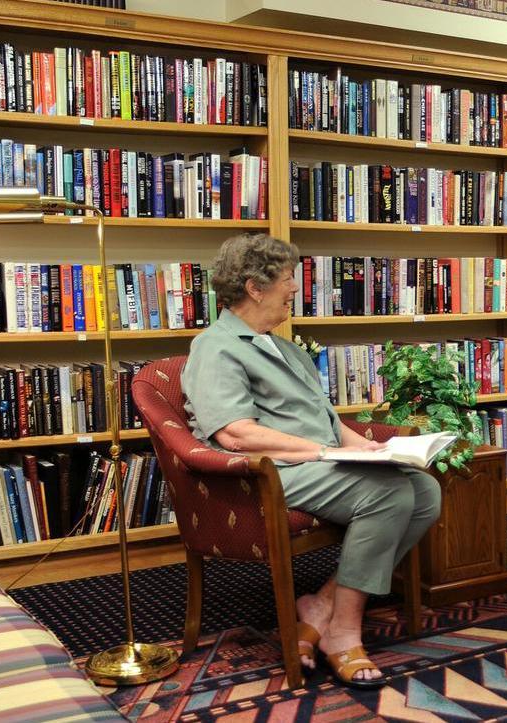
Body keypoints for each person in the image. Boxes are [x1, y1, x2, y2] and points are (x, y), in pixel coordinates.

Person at [182, 233, 441, 689]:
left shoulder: (282, 346)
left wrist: (364, 446)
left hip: (316, 463)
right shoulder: (215, 346)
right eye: (287, 280)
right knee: (389, 494)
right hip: (271, 474)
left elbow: (322, 417)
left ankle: (321, 605)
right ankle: (343, 631)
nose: (296, 289)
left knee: (424, 492)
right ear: (254, 287)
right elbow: (235, 433)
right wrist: (325, 452)